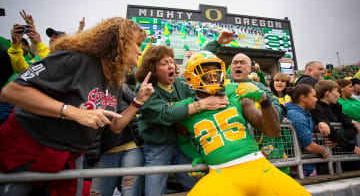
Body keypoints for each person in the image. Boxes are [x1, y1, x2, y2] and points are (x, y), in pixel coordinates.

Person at [0, 17, 154, 196]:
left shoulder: (115, 79)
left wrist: (138, 101)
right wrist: (73, 112)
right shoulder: (74, 59)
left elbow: (115, 127)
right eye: (137, 44)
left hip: (71, 156)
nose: (139, 50)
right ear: (118, 42)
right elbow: (12, 91)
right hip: (29, 148)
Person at [174, 51, 310, 195]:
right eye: (205, 70)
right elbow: (183, 141)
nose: (213, 74)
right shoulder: (185, 108)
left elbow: (273, 131)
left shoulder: (235, 91)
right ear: (191, 76)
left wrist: (265, 101)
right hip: (220, 173)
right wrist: (196, 155)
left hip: (258, 166)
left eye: (215, 69)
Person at [135, 45, 229, 196]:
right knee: (154, 191)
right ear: (153, 69)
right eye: (164, 63)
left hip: (183, 144)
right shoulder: (145, 89)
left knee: (198, 186)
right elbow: (165, 115)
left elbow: (202, 83)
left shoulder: (180, 84)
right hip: (158, 147)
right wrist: (201, 105)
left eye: (171, 62)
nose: (171, 65)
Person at [203, 30, 285, 121]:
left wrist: (263, 116)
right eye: (235, 63)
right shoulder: (220, 80)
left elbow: (276, 108)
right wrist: (217, 42)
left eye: (242, 63)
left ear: (250, 69)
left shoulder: (258, 87)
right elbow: (201, 60)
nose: (238, 65)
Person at [90, 84, 144, 196]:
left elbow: (138, 103)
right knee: (99, 192)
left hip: (131, 147)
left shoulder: (121, 87)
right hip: (104, 151)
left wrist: (122, 87)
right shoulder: (91, 88)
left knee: (130, 192)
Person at [286, 84, 329, 177]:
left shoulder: (304, 112)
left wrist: (319, 125)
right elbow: (308, 145)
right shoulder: (297, 115)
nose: (316, 100)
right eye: (313, 96)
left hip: (305, 163)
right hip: (301, 166)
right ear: (303, 98)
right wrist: (323, 151)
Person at [310, 80, 360, 157]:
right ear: (327, 93)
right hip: (324, 153)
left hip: (340, 149)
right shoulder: (316, 108)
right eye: (337, 91)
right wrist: (354, 148)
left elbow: (352, 127)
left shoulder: (335, 108)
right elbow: (330, 131)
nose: (339, 95)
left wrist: (338, 140)